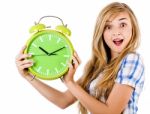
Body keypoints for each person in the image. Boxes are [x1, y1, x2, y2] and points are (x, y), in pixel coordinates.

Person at [15, 2, 145, 114]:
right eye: (108, 26)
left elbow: (110, 112)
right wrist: (28, 76)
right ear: (101, 32)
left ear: (133, 29)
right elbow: (63, 100)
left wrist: (70, 82)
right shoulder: (98, 66)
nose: (116, 32)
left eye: (122, 24)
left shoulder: (132, 60)